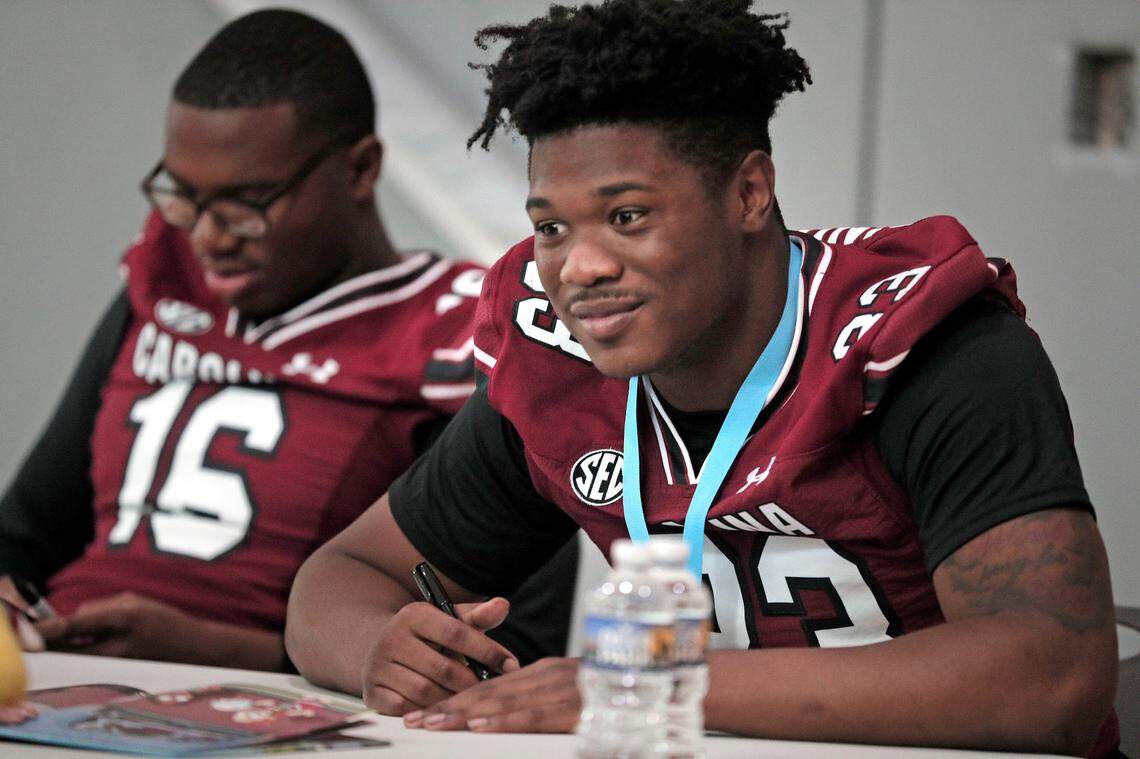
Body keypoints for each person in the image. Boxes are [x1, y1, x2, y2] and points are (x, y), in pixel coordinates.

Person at [285, 0, 1118, 755]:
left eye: (627, 216)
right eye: (549, 225)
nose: (579, 266)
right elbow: (336, 581)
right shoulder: (559, 363)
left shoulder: (921, 344)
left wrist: (642, 681)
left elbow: (1052, 677)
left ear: (749, 192)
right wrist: (384, 649)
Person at [0, 9, 574, 673]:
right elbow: (22, 537)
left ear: (360, 169)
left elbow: (514, 651)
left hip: (293, 700)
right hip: (61, 676)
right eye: (184, 197)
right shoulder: (164, 284)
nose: (210, 235)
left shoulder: (462, 329)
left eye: (247, 201)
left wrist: (222, 651)